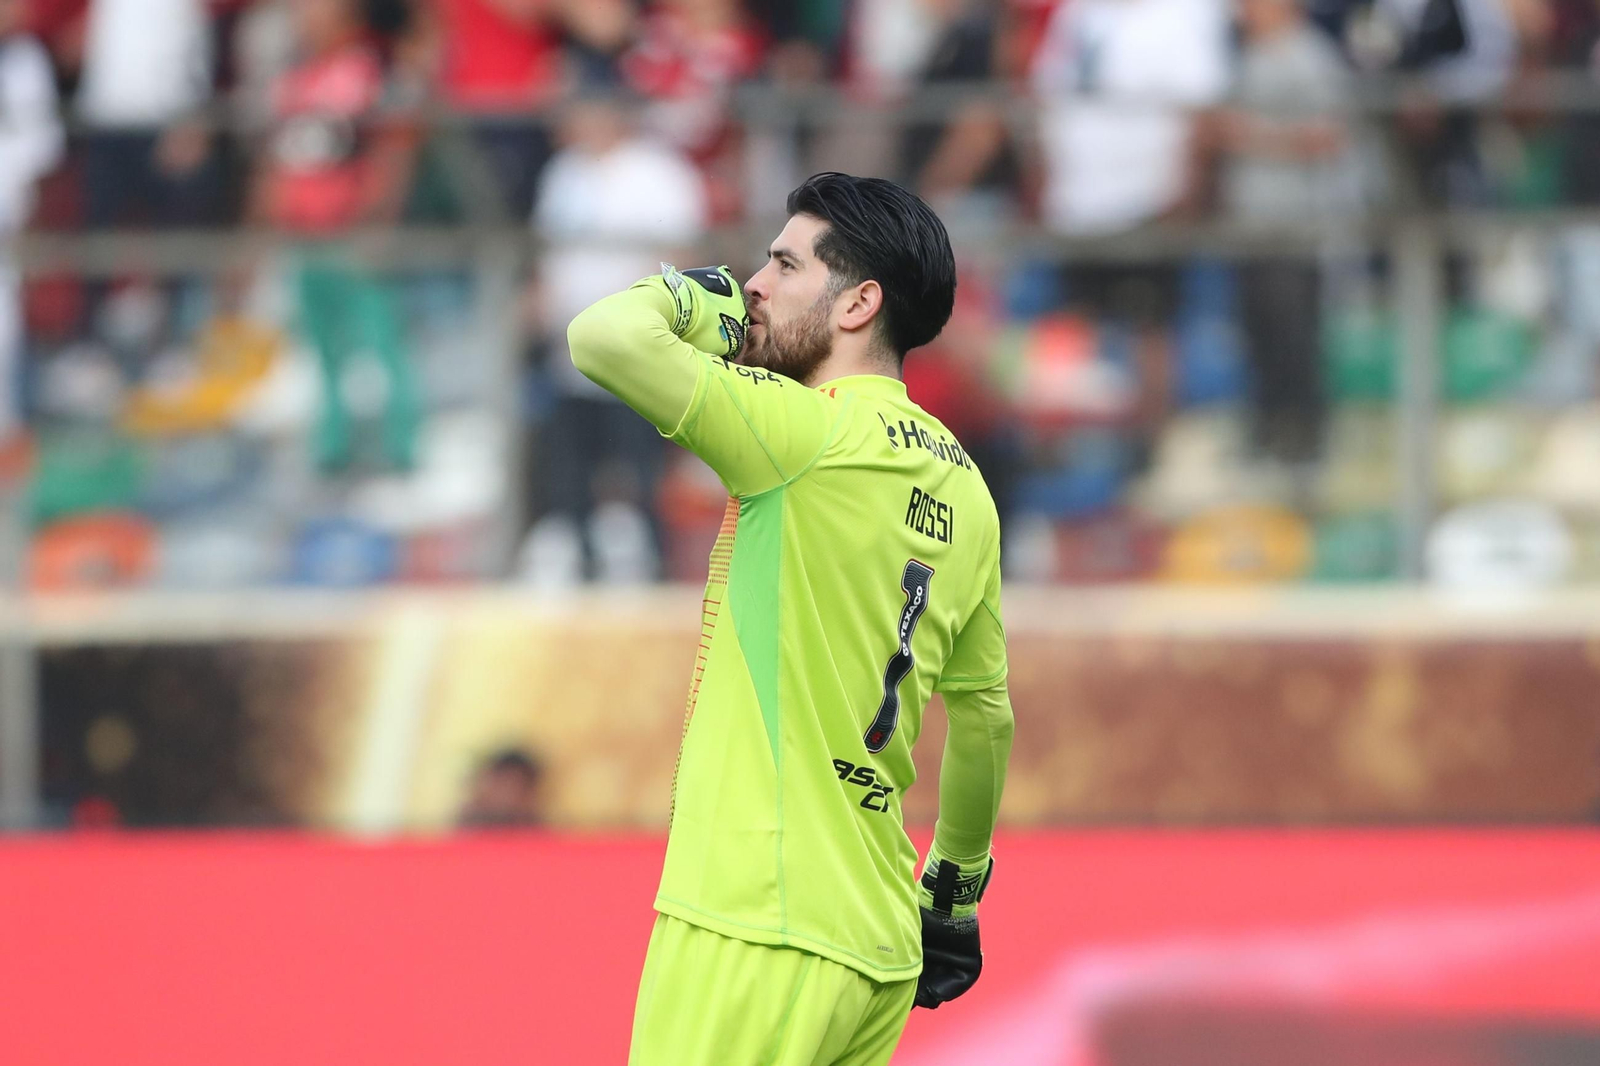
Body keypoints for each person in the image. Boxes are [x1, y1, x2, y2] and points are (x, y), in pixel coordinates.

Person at [567, 173, 1015, 1065]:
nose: (756, 285)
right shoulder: (968, 492)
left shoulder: (800, 433)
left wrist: (699, 299)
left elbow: (601, 337)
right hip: (876, 946)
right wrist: (953, 896)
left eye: (782, 265)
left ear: (858, 304)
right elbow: (985, 719)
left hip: (754, 920)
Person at [0, 0, 64, 445]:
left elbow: (42, 148)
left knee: (4, 317)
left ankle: (7, 427)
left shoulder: (26, 61)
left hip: (8, 211)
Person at [457, 748, 546, 828]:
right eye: (505, 783)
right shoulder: (462, 830)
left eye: (516, 787)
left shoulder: (538, 832)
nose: (509, 796)